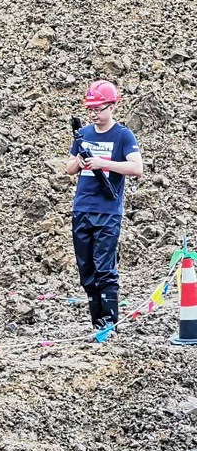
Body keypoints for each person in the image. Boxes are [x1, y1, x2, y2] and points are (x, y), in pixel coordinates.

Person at [65, 81, 143, 332]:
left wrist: (103, 163)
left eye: (98, 108)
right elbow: (68, 168)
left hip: (107, 211)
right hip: (82, 209)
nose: (94, 114)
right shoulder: (83, 134)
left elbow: (136, 168)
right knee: (86, 267)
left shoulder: (123, 135)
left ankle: (110, 322)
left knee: (104, 267)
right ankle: (96, 321)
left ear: (111, 107)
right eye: (91, 109)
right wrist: (80, 161)